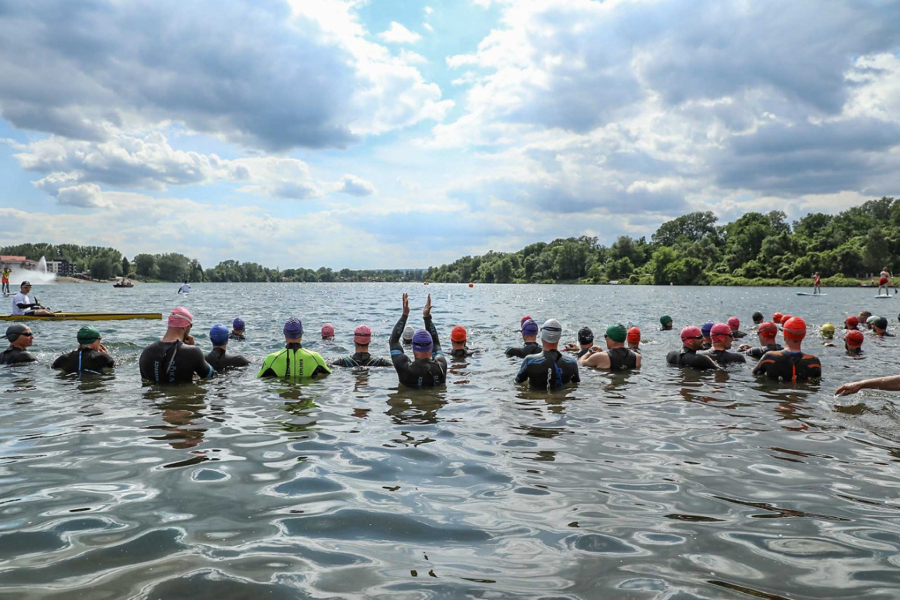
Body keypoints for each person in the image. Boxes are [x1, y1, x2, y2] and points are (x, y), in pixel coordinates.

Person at [139, 307, 214, 384]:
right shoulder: (192, 352)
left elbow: (145, 382)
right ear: (185, 326)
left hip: (157, 396)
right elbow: (210, 375)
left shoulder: (146, 352)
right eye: (190, 326)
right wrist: (193, 349)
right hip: (182, 395)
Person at [389, 293, 447, 388]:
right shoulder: (441, 365)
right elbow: (436, 342)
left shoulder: (404, 367)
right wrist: (427, 317)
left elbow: (393, 341)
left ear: (413, 347)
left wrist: (404, 314)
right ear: (431, 347)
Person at [258, 318, 331, 380]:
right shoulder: (316, 358)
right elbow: (329, 376)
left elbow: (259, 379)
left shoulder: (271, 359)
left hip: (280, 395)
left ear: (284, 333)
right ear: (301, 333)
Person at [752, 317, 821, 383]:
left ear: (784, 334)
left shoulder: (769, 357)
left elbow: (754, 375)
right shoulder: (814, 362)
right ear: (803, 335)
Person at [516, 319, 580, 388]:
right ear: (559, 337)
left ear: (542, 336)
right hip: (560, 397)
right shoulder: (572, 363)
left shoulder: (529, 361)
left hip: (536, 398)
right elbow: (575, 385)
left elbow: (518, 383)